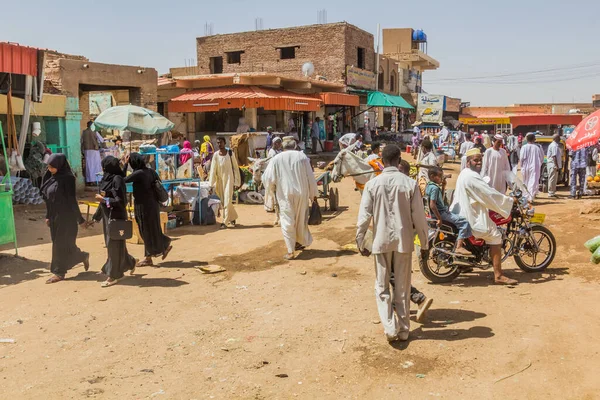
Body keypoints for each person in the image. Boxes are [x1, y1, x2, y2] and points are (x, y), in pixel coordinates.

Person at [356, 144, 429, 342]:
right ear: (398, 160)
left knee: (381, 286)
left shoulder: (372, 184)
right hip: (403, 242)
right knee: (403, 287)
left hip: (380, 242)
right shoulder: (409, 184)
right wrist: (424, 243)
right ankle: (404, 329)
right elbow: (419, 218)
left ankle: (390, 328)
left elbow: (364, 216)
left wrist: (360, 239)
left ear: (381, 160)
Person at [451, 148, 517, 285]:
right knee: (495, 235)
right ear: (468, 162)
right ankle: (498, 276)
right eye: (476, 160)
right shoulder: (472, 176)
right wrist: (508, 200)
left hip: (462, 212)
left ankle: (467, 263)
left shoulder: (465, 173)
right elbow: (488, 194)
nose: (479, 163)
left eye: (480, 160)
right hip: (471, 216)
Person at [262, 140, 318, 260]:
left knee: (287, 221)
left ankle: (290, 251)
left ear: (283, 147)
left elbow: (268, 178)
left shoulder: (276, 159)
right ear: (295, 146)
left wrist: (271, 191)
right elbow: (310, 176)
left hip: (285, 194)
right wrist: (313, 195)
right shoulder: (302, 156)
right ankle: (299, 242)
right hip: (302, 194)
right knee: (300, 219)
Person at [40, 154, 90, 284]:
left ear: (60, 166)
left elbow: (72, 200)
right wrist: (48, 216)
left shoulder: (68, 179)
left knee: (59, 245)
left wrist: (80, 220)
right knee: (64, 244)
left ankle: (59, 272)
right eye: (49, 167)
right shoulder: (50, 177)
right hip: (54, 216)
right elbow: (48, 199)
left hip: (66, 218)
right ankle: (82, 256)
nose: (50, 169)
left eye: (52, 167)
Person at [91, 156, 137, 287]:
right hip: (108, 217)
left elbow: (120, 201)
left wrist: (103, 200)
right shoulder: (108, 178)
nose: (102, 168)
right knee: (114, 244)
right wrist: (96, 217)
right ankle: (129, 262)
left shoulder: (117, 180)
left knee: (114, 245)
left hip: (116, 216)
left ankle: (115, 275)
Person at [399, 159, 433, 322]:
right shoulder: (400, 187)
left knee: (392, 275)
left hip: (402, 240)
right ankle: (404, 305)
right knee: (398, 276)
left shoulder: (411, 188)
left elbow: (419, 218)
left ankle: (418, 298)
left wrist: (424, 243)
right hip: (401, 239)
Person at [125, 153, 172, 266]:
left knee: (145, 231)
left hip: (143, 206)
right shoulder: (151, 171)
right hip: (154, 204)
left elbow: (122, 180)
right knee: (152, 229)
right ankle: (161, 246)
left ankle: (151, 255)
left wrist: (125, 165)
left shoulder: (138, 173)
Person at [426, 167, 472, 256]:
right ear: (432, 176)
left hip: (435, 214)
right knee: (464, 222)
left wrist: (443, 187)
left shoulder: (429, 186)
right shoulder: (435, 188)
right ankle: (459, 247)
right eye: (439, 176)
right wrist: (439, 218)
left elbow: (440, 200)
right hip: (441, 214)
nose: (442, 178)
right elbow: (432, 204)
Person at [209, 137, 241, 228]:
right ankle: (233, 217)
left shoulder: (230, 154)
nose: (219, 144)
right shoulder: (215, 155)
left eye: (221, 142)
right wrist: (211, 184)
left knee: (227, 200)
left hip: (229, 180)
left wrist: (236, 182)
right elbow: (213, 169)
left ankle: (225, 221)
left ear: (225, 143)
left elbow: (235, 168)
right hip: (220, 181)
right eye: (218, 143)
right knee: (224, 201)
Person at [519, 133, 544, 202]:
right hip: (534, 166)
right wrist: (539, 164)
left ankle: (525, 197)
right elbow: (541, 158)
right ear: (534, 139)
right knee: (533, 181)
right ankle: (530, 197)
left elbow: (521, 158)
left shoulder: (524, 147)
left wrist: (522, 166)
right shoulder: (537, 147)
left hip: (525, 167)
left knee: (525, 181)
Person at [81, 120, 103, 185]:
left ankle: (89, 180)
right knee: (96, 165)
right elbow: (101, 140)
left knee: (89, 166)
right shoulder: (95, 132)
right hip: (94, 150)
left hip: (87, 150)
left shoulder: (84, 132)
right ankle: (97, 180)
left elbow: (81, 141)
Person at [546, 134, 563, 198]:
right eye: (559, 138)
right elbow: (554, 156)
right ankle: (550, 193)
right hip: (552, 164)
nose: (560, 139)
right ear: (555, 139)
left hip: (553, 164)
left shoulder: (555, 145)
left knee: (554, 179)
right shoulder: (554, 146)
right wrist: (556, 166)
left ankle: (552, 192)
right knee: (552, 179)